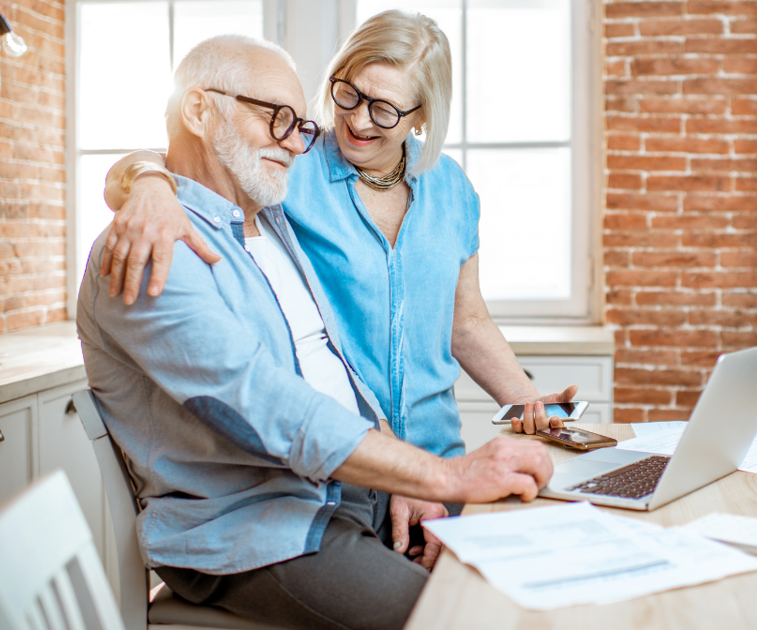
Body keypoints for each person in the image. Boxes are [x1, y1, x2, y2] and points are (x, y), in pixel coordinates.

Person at [77, 34, 552, 630]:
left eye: (297, 123)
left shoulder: (266, 220)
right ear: (200, 109)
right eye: (274, 117)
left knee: (533, 571)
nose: (296, 140)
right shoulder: (157, 244)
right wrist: (147, 181)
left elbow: (334, 370)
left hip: (351, 488)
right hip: (264, 525)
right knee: (467, 616)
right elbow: (262, 401)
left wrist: (408, 473)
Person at [100, 10, 576, 462]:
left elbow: (467, 323)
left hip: (439, 456)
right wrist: (149, 184)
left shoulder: (452, 189)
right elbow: (183, 154)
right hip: (340, 462)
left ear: (422, 116)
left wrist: (529, 403)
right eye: (350, 93)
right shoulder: (291, 161)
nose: (359, 119)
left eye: (385, 109)